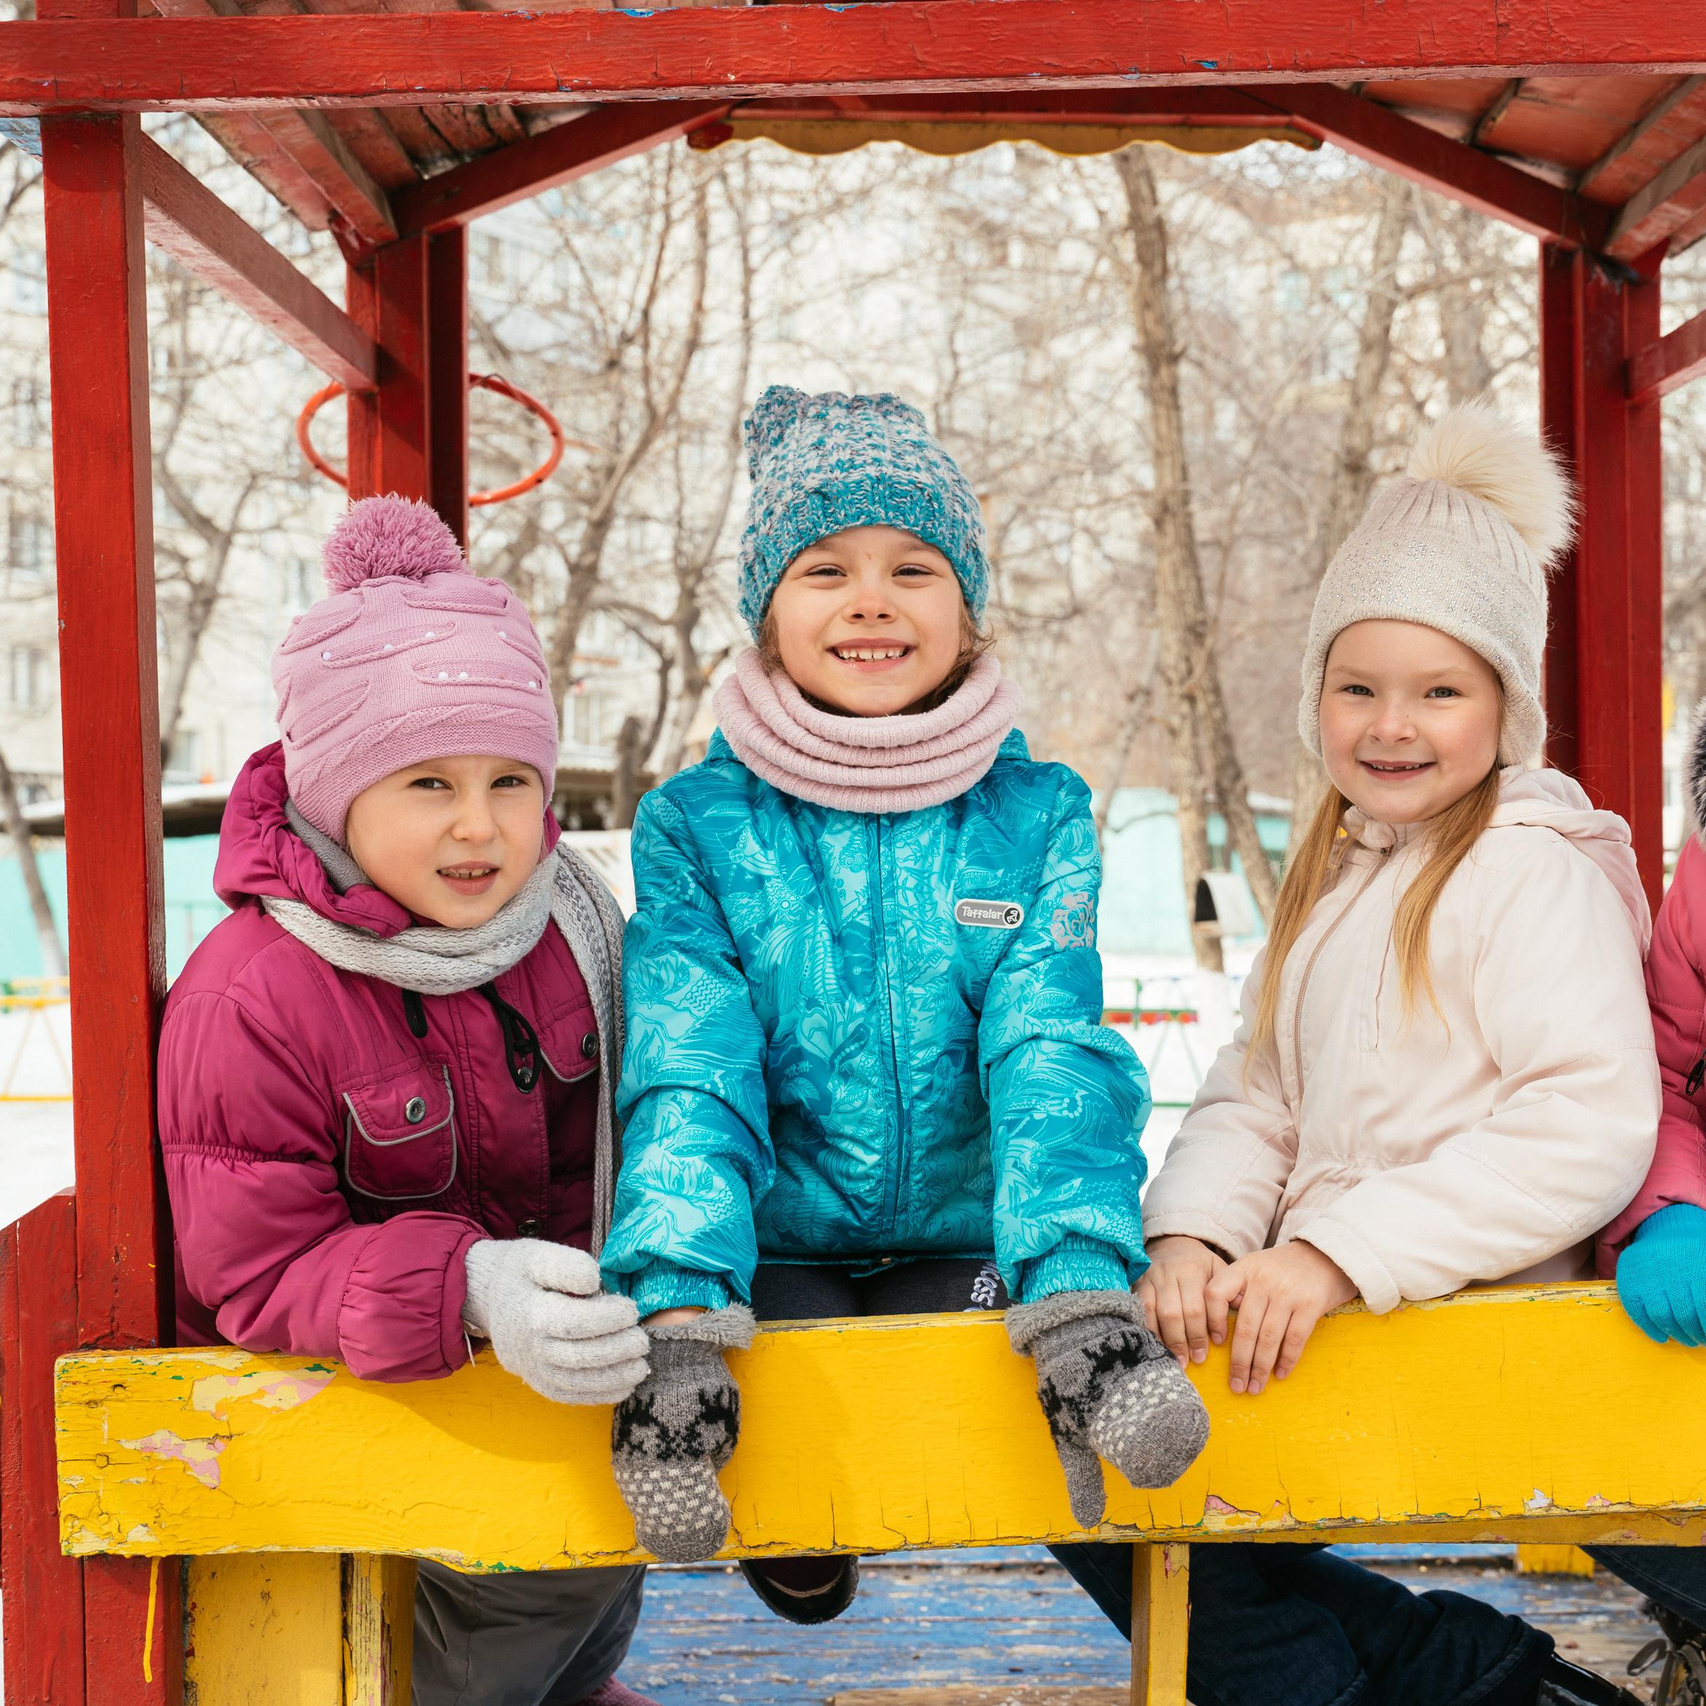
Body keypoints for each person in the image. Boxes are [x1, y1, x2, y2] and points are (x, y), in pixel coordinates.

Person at [1054, 405, 1661, 1706]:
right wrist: (1192, 1239)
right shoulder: (1337, 878)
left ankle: (1400, 1688)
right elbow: (1255, 1092)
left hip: (1467, 1320)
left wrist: (1343, 1251)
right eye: (1357, 686)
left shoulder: (1522, 872)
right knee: (1077, 1393)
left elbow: (1586, 1116)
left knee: (1097, 1442)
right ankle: (1469, 1680)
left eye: (1438, 689)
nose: (1391, 723)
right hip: (1327, 1307)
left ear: (1505, 706)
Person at [598, 385, 1209, 1623]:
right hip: (774, 1244)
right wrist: (675, 1302)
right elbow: (688, 1068)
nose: (870, 598)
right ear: (767, 616)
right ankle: (791, 1508)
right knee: (787, 1388)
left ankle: (1206, 1598)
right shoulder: (697, 825)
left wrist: (1080, 1282)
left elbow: (1049, 1048)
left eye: (912, 566)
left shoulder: (1031, 814)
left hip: (969, 1237)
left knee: (1032, 1384)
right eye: (822, 567)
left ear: (967, 611)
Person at [158, 496, 657, 1706]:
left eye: (511, 780)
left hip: (552, 1420)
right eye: (427, 781)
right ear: (333, 798)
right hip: (349, 1430)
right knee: (507, 1587)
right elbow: (256, 1271)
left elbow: (647, 1128)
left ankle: (571, 1685)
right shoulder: (257, 992)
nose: (481, 826)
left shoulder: (573, 933)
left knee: (587, 1547)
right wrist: (466, 1283)